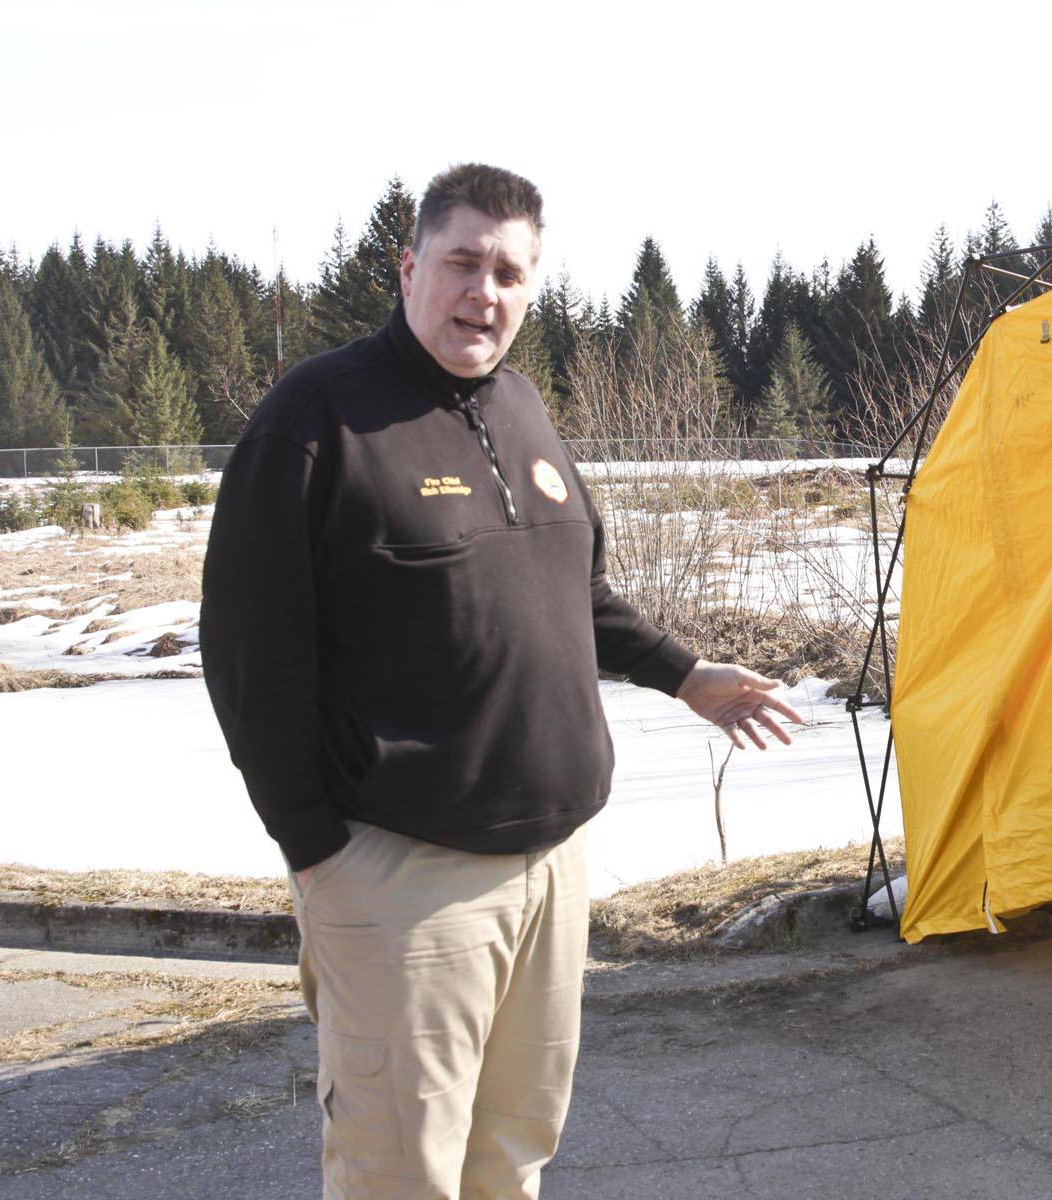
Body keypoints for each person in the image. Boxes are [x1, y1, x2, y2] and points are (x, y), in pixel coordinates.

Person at [200, 162, 801, 1199]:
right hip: (403, 881)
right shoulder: (318, 420)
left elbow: (574, 592)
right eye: (464, 262)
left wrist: (686, 674)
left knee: (512, 1158)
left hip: (552, 869)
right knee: (403, 1176)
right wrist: (314, 850)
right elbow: (249, 652)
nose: (485, 291)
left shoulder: (520, 406)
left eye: (511, 272)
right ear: (410, 266)